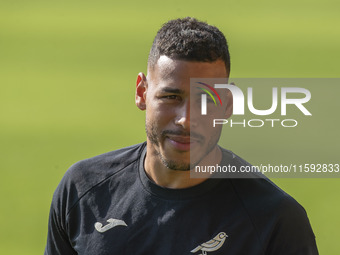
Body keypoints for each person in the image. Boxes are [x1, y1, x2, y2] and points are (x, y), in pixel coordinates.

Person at [45, 17, 318, 255]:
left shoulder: (275, 219)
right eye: (171, 96)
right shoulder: (82, 190)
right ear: (142, 92)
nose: (187, 119)